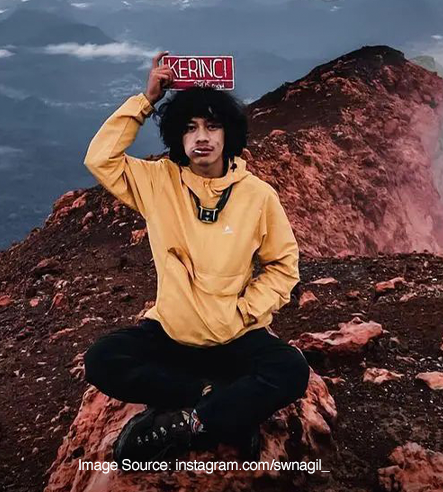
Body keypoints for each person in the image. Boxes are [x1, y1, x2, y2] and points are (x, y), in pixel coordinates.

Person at [82, 50, 310, 465]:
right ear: (177, 138)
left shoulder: (258, 196)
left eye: (212, 125)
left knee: (291, 370)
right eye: (189, 128)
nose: (201, 136)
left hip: (235, 335)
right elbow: (100, 159)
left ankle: (187, 422)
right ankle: (211, 403)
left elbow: (282, 265)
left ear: (228, 134)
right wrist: (146, 100)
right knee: (102, 360)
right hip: (171, 331)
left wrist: (244, 311)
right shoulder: (157, 183)